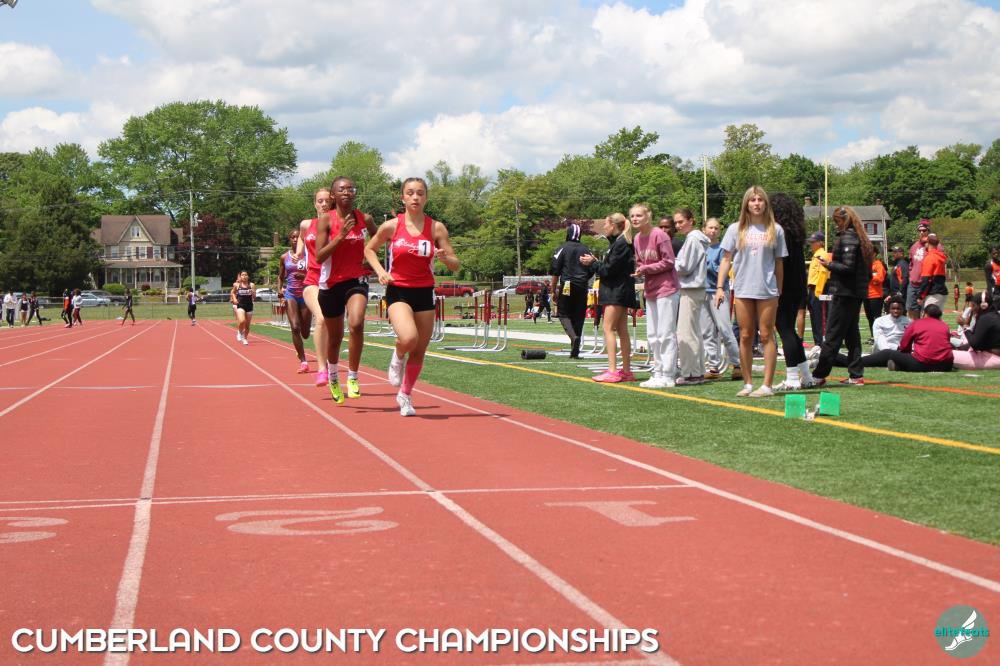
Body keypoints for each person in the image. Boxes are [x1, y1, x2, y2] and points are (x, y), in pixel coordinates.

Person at [364, 177, 459, 416]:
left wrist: (445, 258)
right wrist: (381, 271)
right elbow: (369, 249)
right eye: (410, 193)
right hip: (398, 289)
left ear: (426, 197)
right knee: (408, 338)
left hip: (425, 292)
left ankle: (405, 395)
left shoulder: (436, 228)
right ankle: (397, 356)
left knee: (419, 349)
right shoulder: (392, 226)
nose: (415, 197)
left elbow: (455, 264)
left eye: (420, 193)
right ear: (403, 197)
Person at [308, 176, 378, 403]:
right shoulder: (325, 220)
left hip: (356, 280)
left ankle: (354, 377)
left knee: (356, 323)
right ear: (333, 195)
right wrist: (340, 236)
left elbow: (379, 238)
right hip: (330, 284)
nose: (347, 192)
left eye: (351, 188)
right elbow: (319, 256)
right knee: (335, 338)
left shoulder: (364, 219)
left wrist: (371, 257)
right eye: (342, 189)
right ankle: (333, 377)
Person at [713, 186, 788, 397]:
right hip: (743, 288)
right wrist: (719, 288)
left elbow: (779, 262)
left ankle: (767, 385)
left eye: (760, 200)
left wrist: (779, 290)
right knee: (745, 335)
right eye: (752, 200)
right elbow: (726, 259)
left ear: (766, 203)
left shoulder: (776, 229)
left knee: (766, 335)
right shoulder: (735, 229)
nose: (756, 203)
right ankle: (747, 383)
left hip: (767, 289)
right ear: (746, 203)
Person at [811, 206, 874, 387]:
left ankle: (819, 376)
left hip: (845, 292)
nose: (836, 225)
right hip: (855, 293)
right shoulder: (859, 238)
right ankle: (856, 375)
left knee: (832, 335)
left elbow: (847, 267)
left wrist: (828, 264)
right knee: (852, 335)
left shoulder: (848, 238)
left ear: (842, 220)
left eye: (836, 221)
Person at [581, 213, 637, 383]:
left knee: (608, 328)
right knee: (622, 330)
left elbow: (607, 270)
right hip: (620, 290)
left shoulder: (621, 244)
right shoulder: (620, 242)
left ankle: (612, 370)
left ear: (613, 225)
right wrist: (597, 262)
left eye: (606, 224)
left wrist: (593, 263)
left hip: (616, 292)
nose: (604, 227)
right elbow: (610, 266)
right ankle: (626, 371)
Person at [630, 204, 678, 388]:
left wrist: (646, 268)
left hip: (667, 288)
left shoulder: (660, 235)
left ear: (648, 216)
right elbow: (640, 262)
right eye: (632, 216)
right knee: (652, 334)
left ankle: (668, 374)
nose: (635, 219)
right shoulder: (636, 238)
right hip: (650, 290)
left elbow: (669, 261)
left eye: (639, 215)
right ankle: (657, 372)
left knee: (666, 333)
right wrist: (640, 270)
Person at [770, 193, 815, 391]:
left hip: (785, 285)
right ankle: (806, 375)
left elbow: (781, 263)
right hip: (797, 285)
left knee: (785, 329)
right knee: (790, 331)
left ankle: (792, 378)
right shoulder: (795, 233)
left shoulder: (781, 233)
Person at [297, 188, 335, 387]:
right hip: (312, 279)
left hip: (333, 280)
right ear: (315, 204)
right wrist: (299, 252)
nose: (323, 204)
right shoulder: (307, 224)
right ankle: (322, 369)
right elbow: (301, 236)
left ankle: (330, 362)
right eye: (320, 201)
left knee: (332, 325)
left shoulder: (338, 225)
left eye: (327, 200)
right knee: (321, 318)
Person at [850, 304, 953, 375]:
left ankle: (855, 362)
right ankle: (898, 366)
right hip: (945, 365)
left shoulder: (917, 323)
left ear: (924, 313)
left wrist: (903, 354)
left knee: (888, 353)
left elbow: (904, 345)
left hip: (922, 364)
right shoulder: (945, 326)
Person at [673, 207, 710, 385]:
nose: (678, 225)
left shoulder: (693, 239)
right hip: (695, 288)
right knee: (693, 332)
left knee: (685, 333)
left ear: (691, 220)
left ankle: (691, 373)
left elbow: (685, 266)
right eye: (676, 222)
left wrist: (668, 263)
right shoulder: (695, 238)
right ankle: (697, 371)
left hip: (691, 288)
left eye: (681, 221)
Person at [701, 218, 742, 380]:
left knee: (725, 329)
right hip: (702, 292)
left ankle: (737, 364)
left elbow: (722, 269)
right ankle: (713, 366)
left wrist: (707, 264)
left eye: (716, 228)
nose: (713, 231)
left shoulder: (722, 248)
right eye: (710, 228)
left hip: (718, 292)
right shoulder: (699, 247)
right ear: (704, 229)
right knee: (707, 331)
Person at [550, 221, 595, 358]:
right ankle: (575, 349)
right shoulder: (586, 249)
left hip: (567, 284)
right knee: (579, 315)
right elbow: (593, 267)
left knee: (563, 313)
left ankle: (573, 337)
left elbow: (555, 271)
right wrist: (584, 278)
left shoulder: (562, 248)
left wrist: (553, 290)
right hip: (582, 285)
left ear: (568, 234)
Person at [278, 228, 312, 373]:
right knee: (295, 327)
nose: (295, 239)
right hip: (290, 294)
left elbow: (316, 274)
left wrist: (304, 277)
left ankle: (301, 350)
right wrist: (280, 290)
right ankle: (303, 361)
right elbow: (280, 276)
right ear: (289, 239)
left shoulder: (309, 255)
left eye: (297, 237)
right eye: (292, 237)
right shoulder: (284, 257)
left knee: (305, 333)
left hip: (306, 294)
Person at [953, 291, 1000, 369]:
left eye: (973, 306)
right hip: (993, 356)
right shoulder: (994, 315)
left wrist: (965, 326)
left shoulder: (985, 318)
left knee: (946, 354)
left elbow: (975, 345)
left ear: (982, 306)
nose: (972, 309)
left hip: (992, 358)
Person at [906, 219, 939, 319]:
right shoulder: (914, 246)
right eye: (919, 231)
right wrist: (911, 277)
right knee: (911, 311)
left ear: (928, 231)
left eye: (924, 230)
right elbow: (911, 264)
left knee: (928, 313)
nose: (921, 232)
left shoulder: (934, 246)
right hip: (913, 284)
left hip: (927, 284)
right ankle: (916, 327)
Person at [806, 232, 831, 348]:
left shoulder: (822, 255)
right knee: (814, 315)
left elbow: (823, 274)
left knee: (819, 316)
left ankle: (820, 342)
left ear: (820, 243)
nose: (811, 244)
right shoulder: (816, 255)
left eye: (813, 242)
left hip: (818, 288)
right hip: (813, 288)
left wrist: (818, 292)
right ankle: (818, 341)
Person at [918, 233, 948, 312]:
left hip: (933, 294)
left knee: (928, 317)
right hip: (942, 292)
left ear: (928, 243)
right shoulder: (940, 256)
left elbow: (926, 279)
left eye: (924, 243)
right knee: (936, 318)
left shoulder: (929, 258)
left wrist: (920, 296)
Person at [864, 247, 887, 340]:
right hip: (866, 295)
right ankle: (873, 336)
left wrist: (870, 276)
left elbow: (880, 278)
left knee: (877, 317)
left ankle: (879, 337)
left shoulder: (878, 265)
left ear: (874, 254)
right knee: (869, 317)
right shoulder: (866, 265)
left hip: (876, 295)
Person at [230, 270, 255, 345]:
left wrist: (253, 292)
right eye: (242, 275)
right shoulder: (237, 285)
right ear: (240, 277)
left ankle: (245, 338)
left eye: (245, 275)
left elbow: (254, 297)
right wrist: (234, 299)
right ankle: (240, 332)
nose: (244, 276)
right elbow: (233, 292)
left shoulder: (252, 285)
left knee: (247, 325)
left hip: (249, 306)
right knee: (242, 321)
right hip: (240, 305)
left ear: (248, 276)